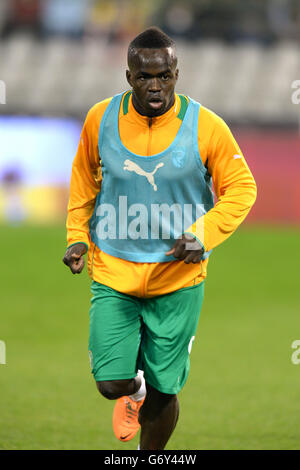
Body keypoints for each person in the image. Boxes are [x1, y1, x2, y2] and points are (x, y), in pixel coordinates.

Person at [62, 26, 257, 450]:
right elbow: (83, 181)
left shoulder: (207, 126)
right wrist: (77, 236)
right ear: (129, 75)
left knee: (166, 390)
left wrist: (202, 234)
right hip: (115, 270)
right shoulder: (101, 118)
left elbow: (242, 187)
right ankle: (134, 391)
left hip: (177, 279)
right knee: (111, 383)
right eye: (145, 76)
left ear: (177, 73)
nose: (156, 86)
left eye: (164, 76)